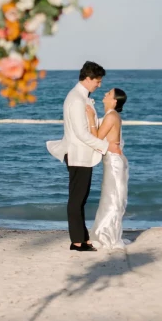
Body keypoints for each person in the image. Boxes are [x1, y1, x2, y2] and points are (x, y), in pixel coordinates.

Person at [46, 61, 121, 252]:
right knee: (77, 199)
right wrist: (106, 147)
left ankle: (82, 238)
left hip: (82, 154)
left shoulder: (82, 97)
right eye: (98, 81)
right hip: (77, 154)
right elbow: (81, 133)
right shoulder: (76, 99)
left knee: (80, 198)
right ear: (88, 79)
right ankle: (77, 242)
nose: (99, 85)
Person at [86, 88, 129, 251]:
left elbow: (96, 138)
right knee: (111, 197)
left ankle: (106, 236)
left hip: (114, 162)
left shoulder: (111, 116)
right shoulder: (112, 115)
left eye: (108, 94)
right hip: (112, 160)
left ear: (114, 101)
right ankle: (107, 234)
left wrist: (90, 118)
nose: (105, 94)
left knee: (112, 198)